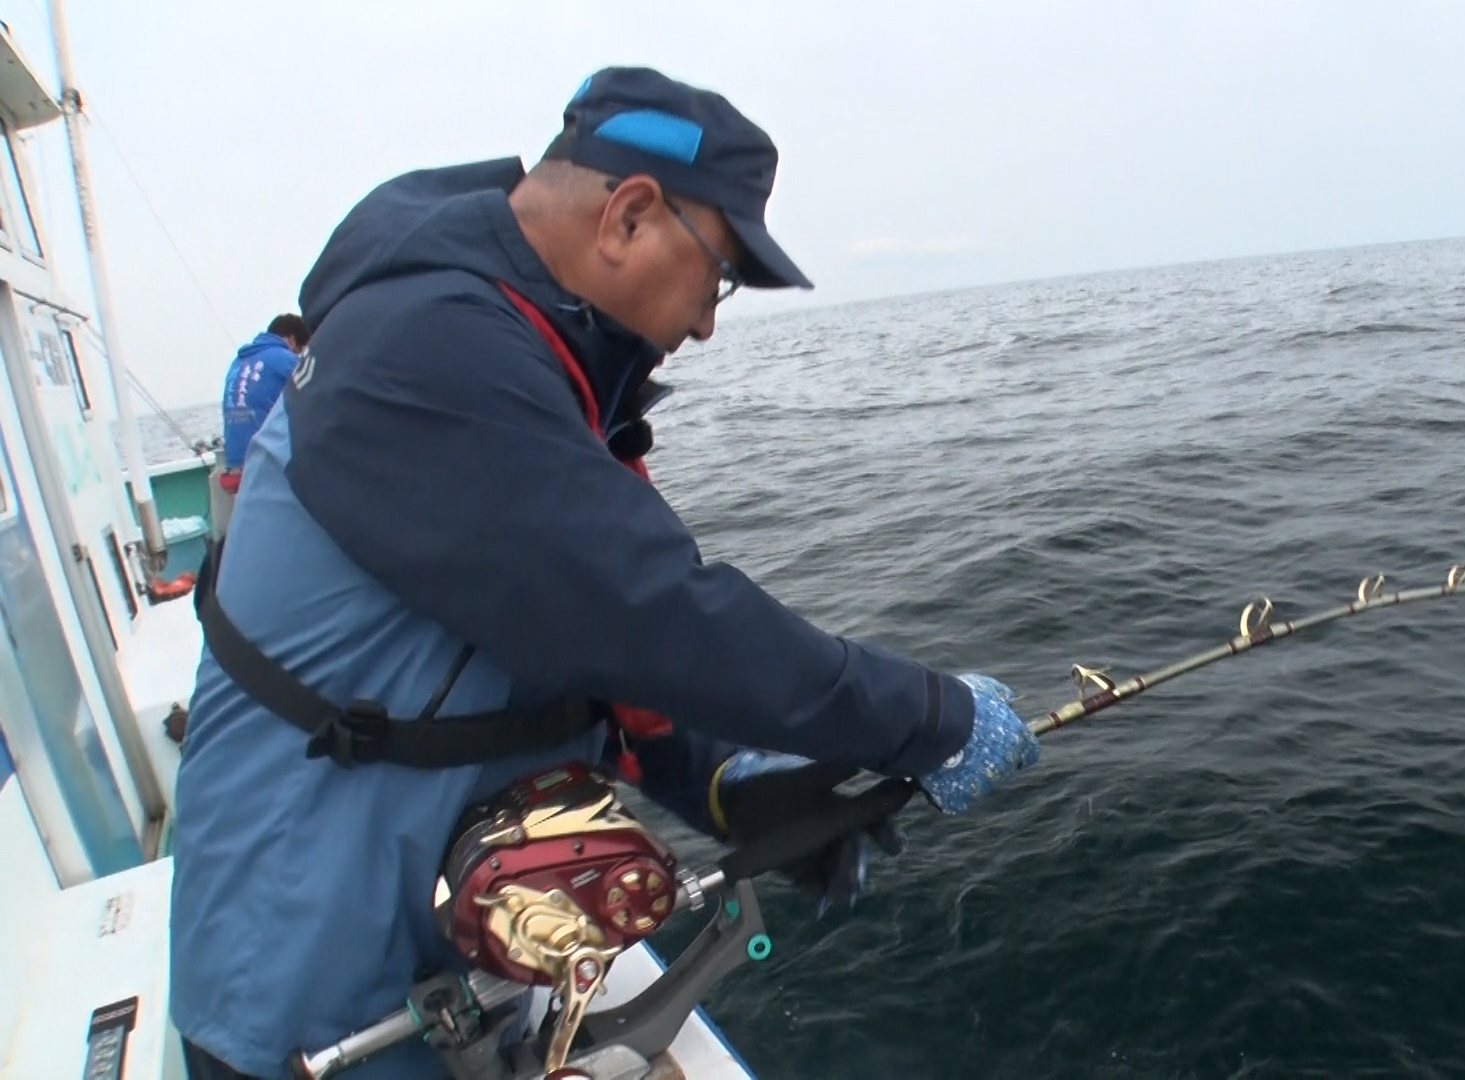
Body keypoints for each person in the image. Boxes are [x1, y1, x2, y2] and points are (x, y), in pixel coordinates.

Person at [169, 67, 1040, 1079]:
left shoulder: (501, 342)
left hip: (419, 955)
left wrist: (726, 782)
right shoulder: (434, 349)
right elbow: (649, 613)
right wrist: (932, 718)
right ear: (629, 215)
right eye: (718, 278)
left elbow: (562, 631)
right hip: (301, 999)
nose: (710, 323)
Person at [216, 313, 310, 494]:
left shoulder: (237, 363)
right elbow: (319, 391)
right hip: (264, 466)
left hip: (234, 466)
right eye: (300, 350)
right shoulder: (285, 359)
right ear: (291, 340)